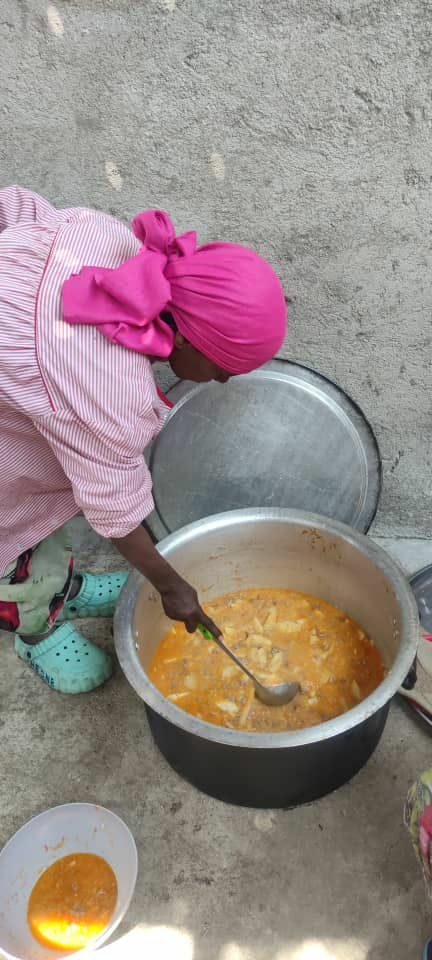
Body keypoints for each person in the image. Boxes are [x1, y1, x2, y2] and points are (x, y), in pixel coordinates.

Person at [0, 185, 286, 694]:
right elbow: (115, 506)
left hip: (17, 400)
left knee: (42, 516)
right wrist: (172, 587)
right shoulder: (101, 382)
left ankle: (63, 588)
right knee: (10, 545)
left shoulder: (107, 240)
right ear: (188, 338)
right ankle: (35, 628)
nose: (223, 381)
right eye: (223, 367)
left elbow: (15, 208)